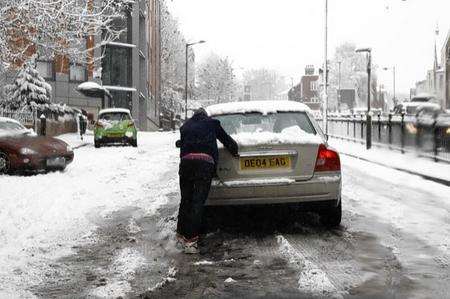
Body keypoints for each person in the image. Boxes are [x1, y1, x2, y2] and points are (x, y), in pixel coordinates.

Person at [175, 108, 239, 254]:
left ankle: (180, 234)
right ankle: (190, 242)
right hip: (204, 165)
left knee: (186, 200)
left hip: (186, 165)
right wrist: (235, 151)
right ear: (206, 116)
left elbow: (182, 147)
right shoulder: (212, 123)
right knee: (197, 202)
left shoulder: (185, 127)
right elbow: (227, 141)